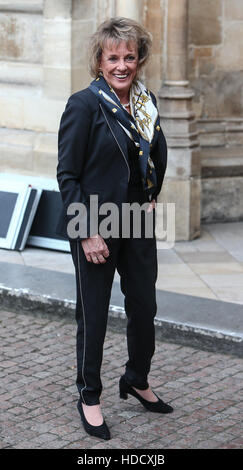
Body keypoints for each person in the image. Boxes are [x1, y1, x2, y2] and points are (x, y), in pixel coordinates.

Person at [56, 17, 173, 441]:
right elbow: (67, 175)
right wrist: (86, 231)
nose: (121, 65)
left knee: (144, 308)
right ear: (100, 61)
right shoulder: (84, 105)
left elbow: (155, 152)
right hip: (96, 223)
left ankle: (136, 379)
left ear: (139, 59)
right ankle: (89, 395)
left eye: (129, 56)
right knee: (95, 315)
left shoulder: (146, 101)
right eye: (113, 57)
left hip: (137, 219)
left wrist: (152, 192)